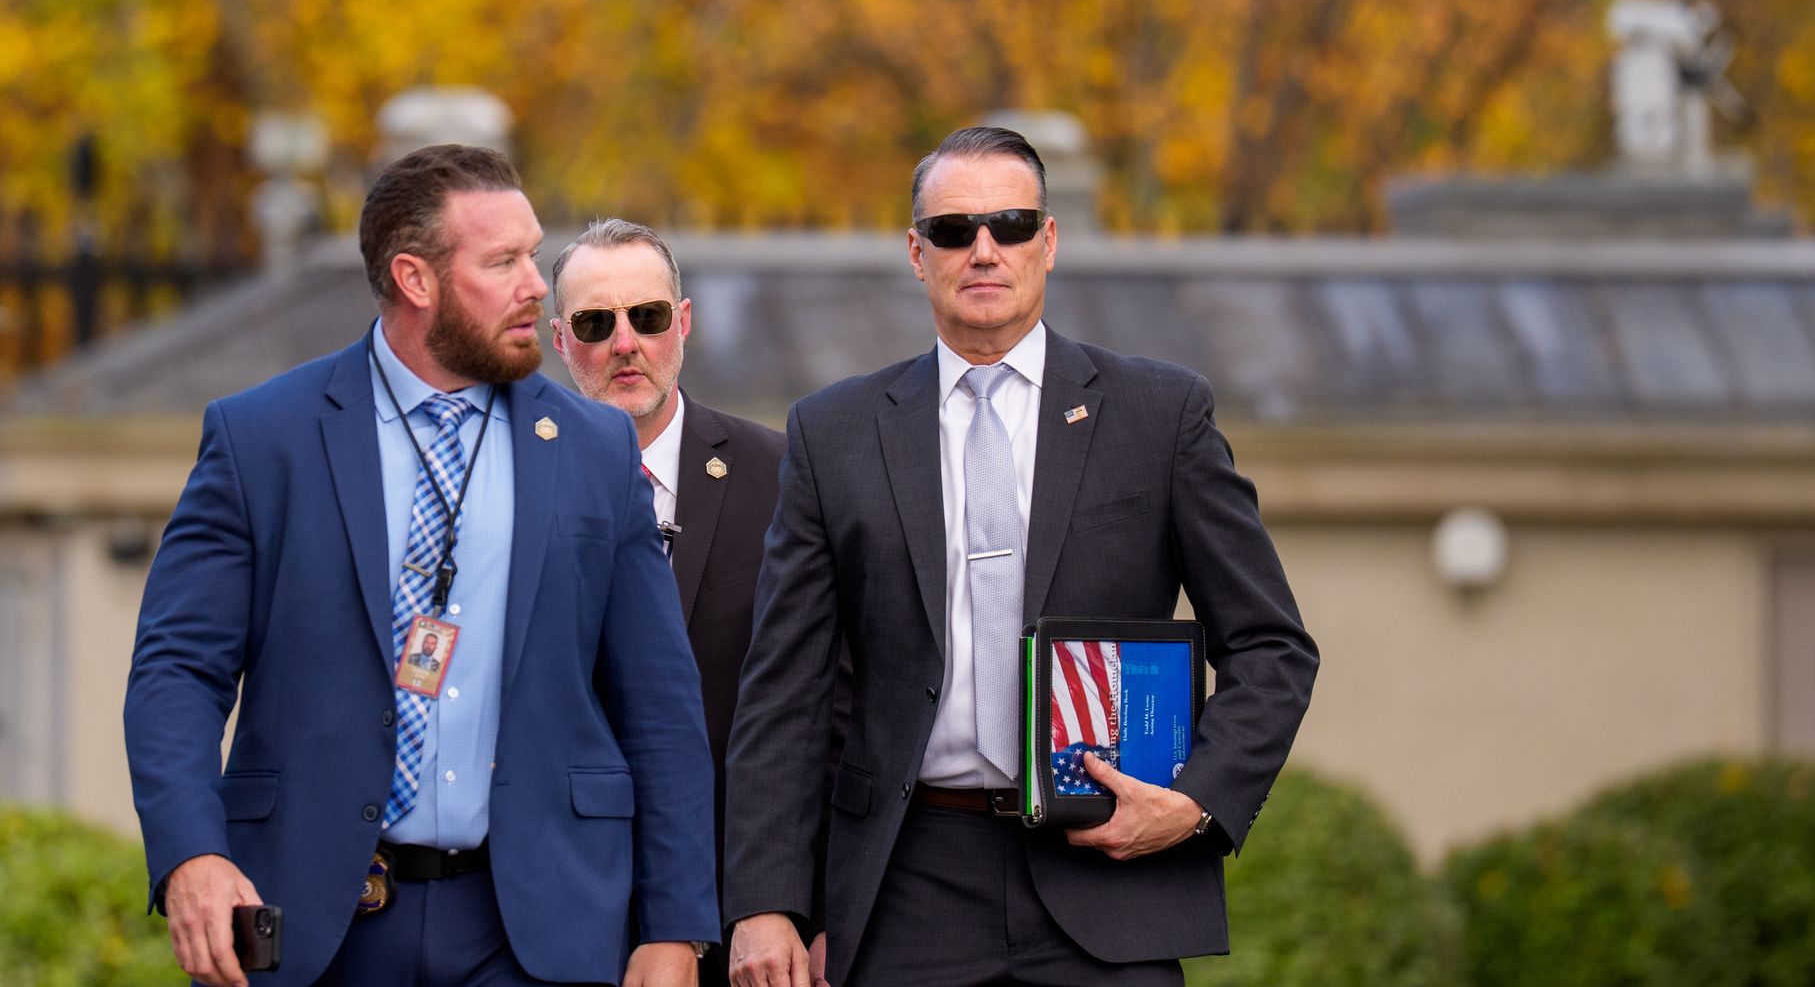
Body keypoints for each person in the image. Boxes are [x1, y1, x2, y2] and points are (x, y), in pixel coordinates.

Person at [725, 127, 1319, 987]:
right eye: (955, 230)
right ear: (916, 252)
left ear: (1049, 240)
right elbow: (784, 688)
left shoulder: (1161, 415)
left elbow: (1272, 648)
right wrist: (766, 900)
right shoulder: (833, 433)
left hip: (1109, 874)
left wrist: (1194, 801)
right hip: (905, 883)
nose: (984, 250)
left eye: (1009, 224)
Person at [124, 145, 717, 987]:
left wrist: (675, 926)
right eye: (504, 261)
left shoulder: (593, 447)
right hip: (308, 922)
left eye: (531, 253)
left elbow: (660, 705)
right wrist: (190, 855)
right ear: (416, 279)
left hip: (536, 931)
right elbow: (176, 672)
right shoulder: (263, 439)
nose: (537, 285)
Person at [548, 219, 791, 987]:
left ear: (682, 324)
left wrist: (787, 903)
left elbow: (820, 708)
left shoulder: (781, 477)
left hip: (737, 916)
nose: (626, 343)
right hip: (548, 913)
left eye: (647, 317)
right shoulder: (512, 482)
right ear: (560, 340)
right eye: (596, 324)